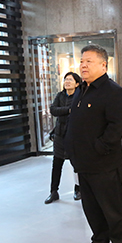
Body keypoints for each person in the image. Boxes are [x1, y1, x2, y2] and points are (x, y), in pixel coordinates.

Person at [65, 44, 122, 243]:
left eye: (89, 61)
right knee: (91, 207)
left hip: (104, 162)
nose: (83, 65)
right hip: (82, 161)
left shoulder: (114, 92)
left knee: (112, 208)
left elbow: (117, 127)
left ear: (104, 65)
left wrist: (99, 147)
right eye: (82, 61)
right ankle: (100, 241)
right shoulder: (81, 89)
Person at [45, 72, 82, 204]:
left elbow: (78, 112)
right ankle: (53, 191)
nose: (67, 82)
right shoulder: (60, 95)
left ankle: (78, 189)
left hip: (74, 135)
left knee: (76, 165)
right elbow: (53, 110)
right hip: (60, 134)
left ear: (77, 84)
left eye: (70, 80)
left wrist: (65, 110)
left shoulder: (79, 96)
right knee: (56, 164)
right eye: (66, 79)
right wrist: (68, 110)